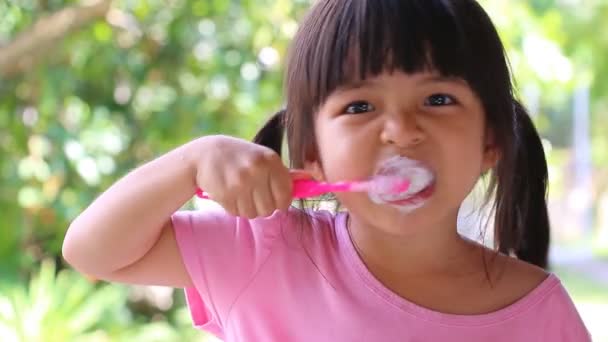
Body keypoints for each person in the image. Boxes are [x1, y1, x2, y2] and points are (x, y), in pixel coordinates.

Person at [62, 0, 592, 340]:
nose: (401, 129)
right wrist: (190, 161)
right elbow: (92, 250)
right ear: (312, 154)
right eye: (360, 107)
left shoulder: (538, 314)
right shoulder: (262, 254)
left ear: (491, 141)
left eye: (437, 98)